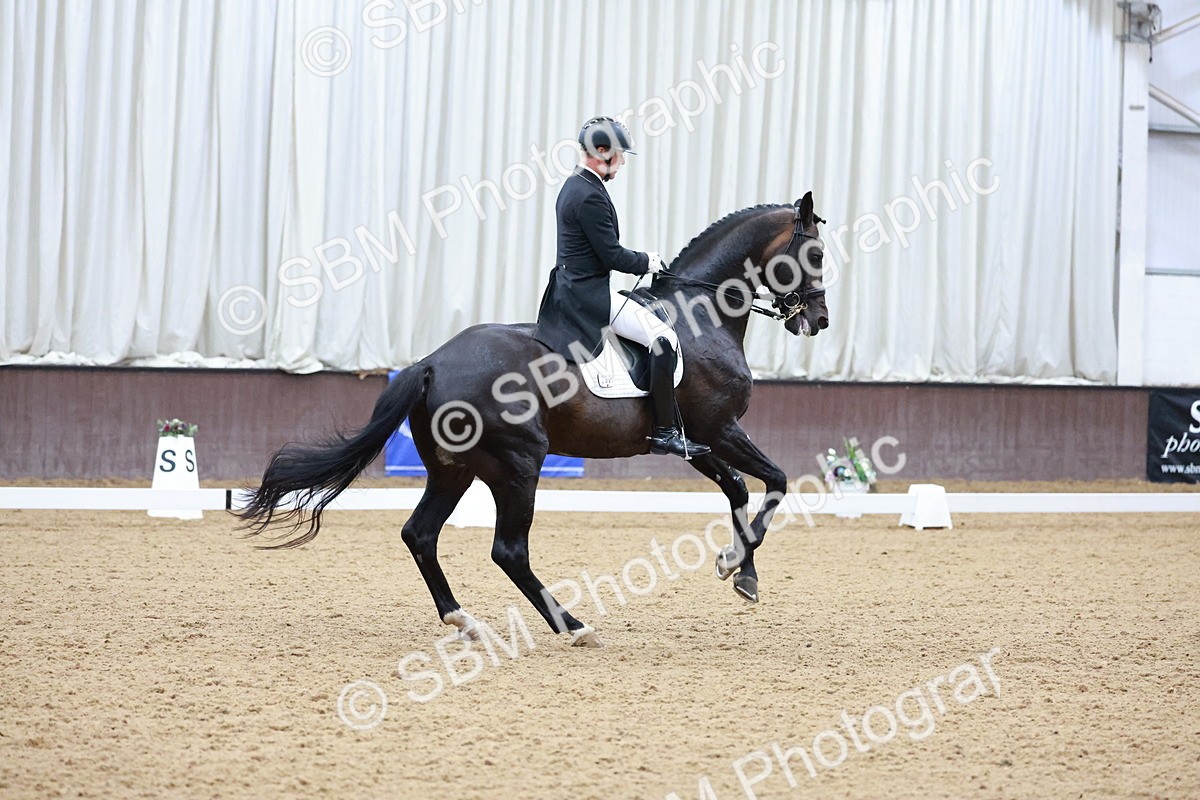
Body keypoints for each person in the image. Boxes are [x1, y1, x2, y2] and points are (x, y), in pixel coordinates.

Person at [532, 116, 709, 459]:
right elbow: (611, 254)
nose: (623, 161)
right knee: (663, 338)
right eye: (620, 155)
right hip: (588, 297)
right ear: (602, 153)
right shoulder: (590, 196)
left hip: (572, 289)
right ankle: (665, 432)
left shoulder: (572, 186)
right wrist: (647, 260)